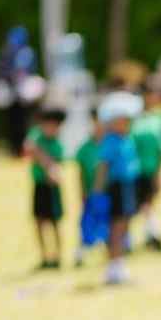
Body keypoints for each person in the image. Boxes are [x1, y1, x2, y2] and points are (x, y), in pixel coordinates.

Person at [91, 91, 143, 285]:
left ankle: (119, 264)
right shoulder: (110, 141)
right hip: (116, 188)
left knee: (124, 226)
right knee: (116, 227)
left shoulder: (126, 139)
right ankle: (114, 267)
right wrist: (97, 192)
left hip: (128, 186)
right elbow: (102, 168)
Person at [24, 106, 66, 270]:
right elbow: (29, 148)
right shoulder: (36, 136)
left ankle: (58, 256)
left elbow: (55, 169)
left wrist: (43, 159)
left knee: (55, 223)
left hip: (52, 188)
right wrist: (46, 162)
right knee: (39, 221)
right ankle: (44, 256)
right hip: (40, 186)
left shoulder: (57, 145)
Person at [131, 86, 161, 251]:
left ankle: (152, 233)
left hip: (151, 168)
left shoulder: (159, 119)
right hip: (134, 169)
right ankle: (152, 233)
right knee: (138, 204)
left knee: (147, 202)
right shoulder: (134, 118)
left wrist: (159, 171)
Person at [73, 115, 103, 268]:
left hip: (106, 194)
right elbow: (81, 172)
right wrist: (83, 191)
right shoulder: (85, 148)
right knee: (86, 222)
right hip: (91, 194)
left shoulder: (108, 145)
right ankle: (80, 253)